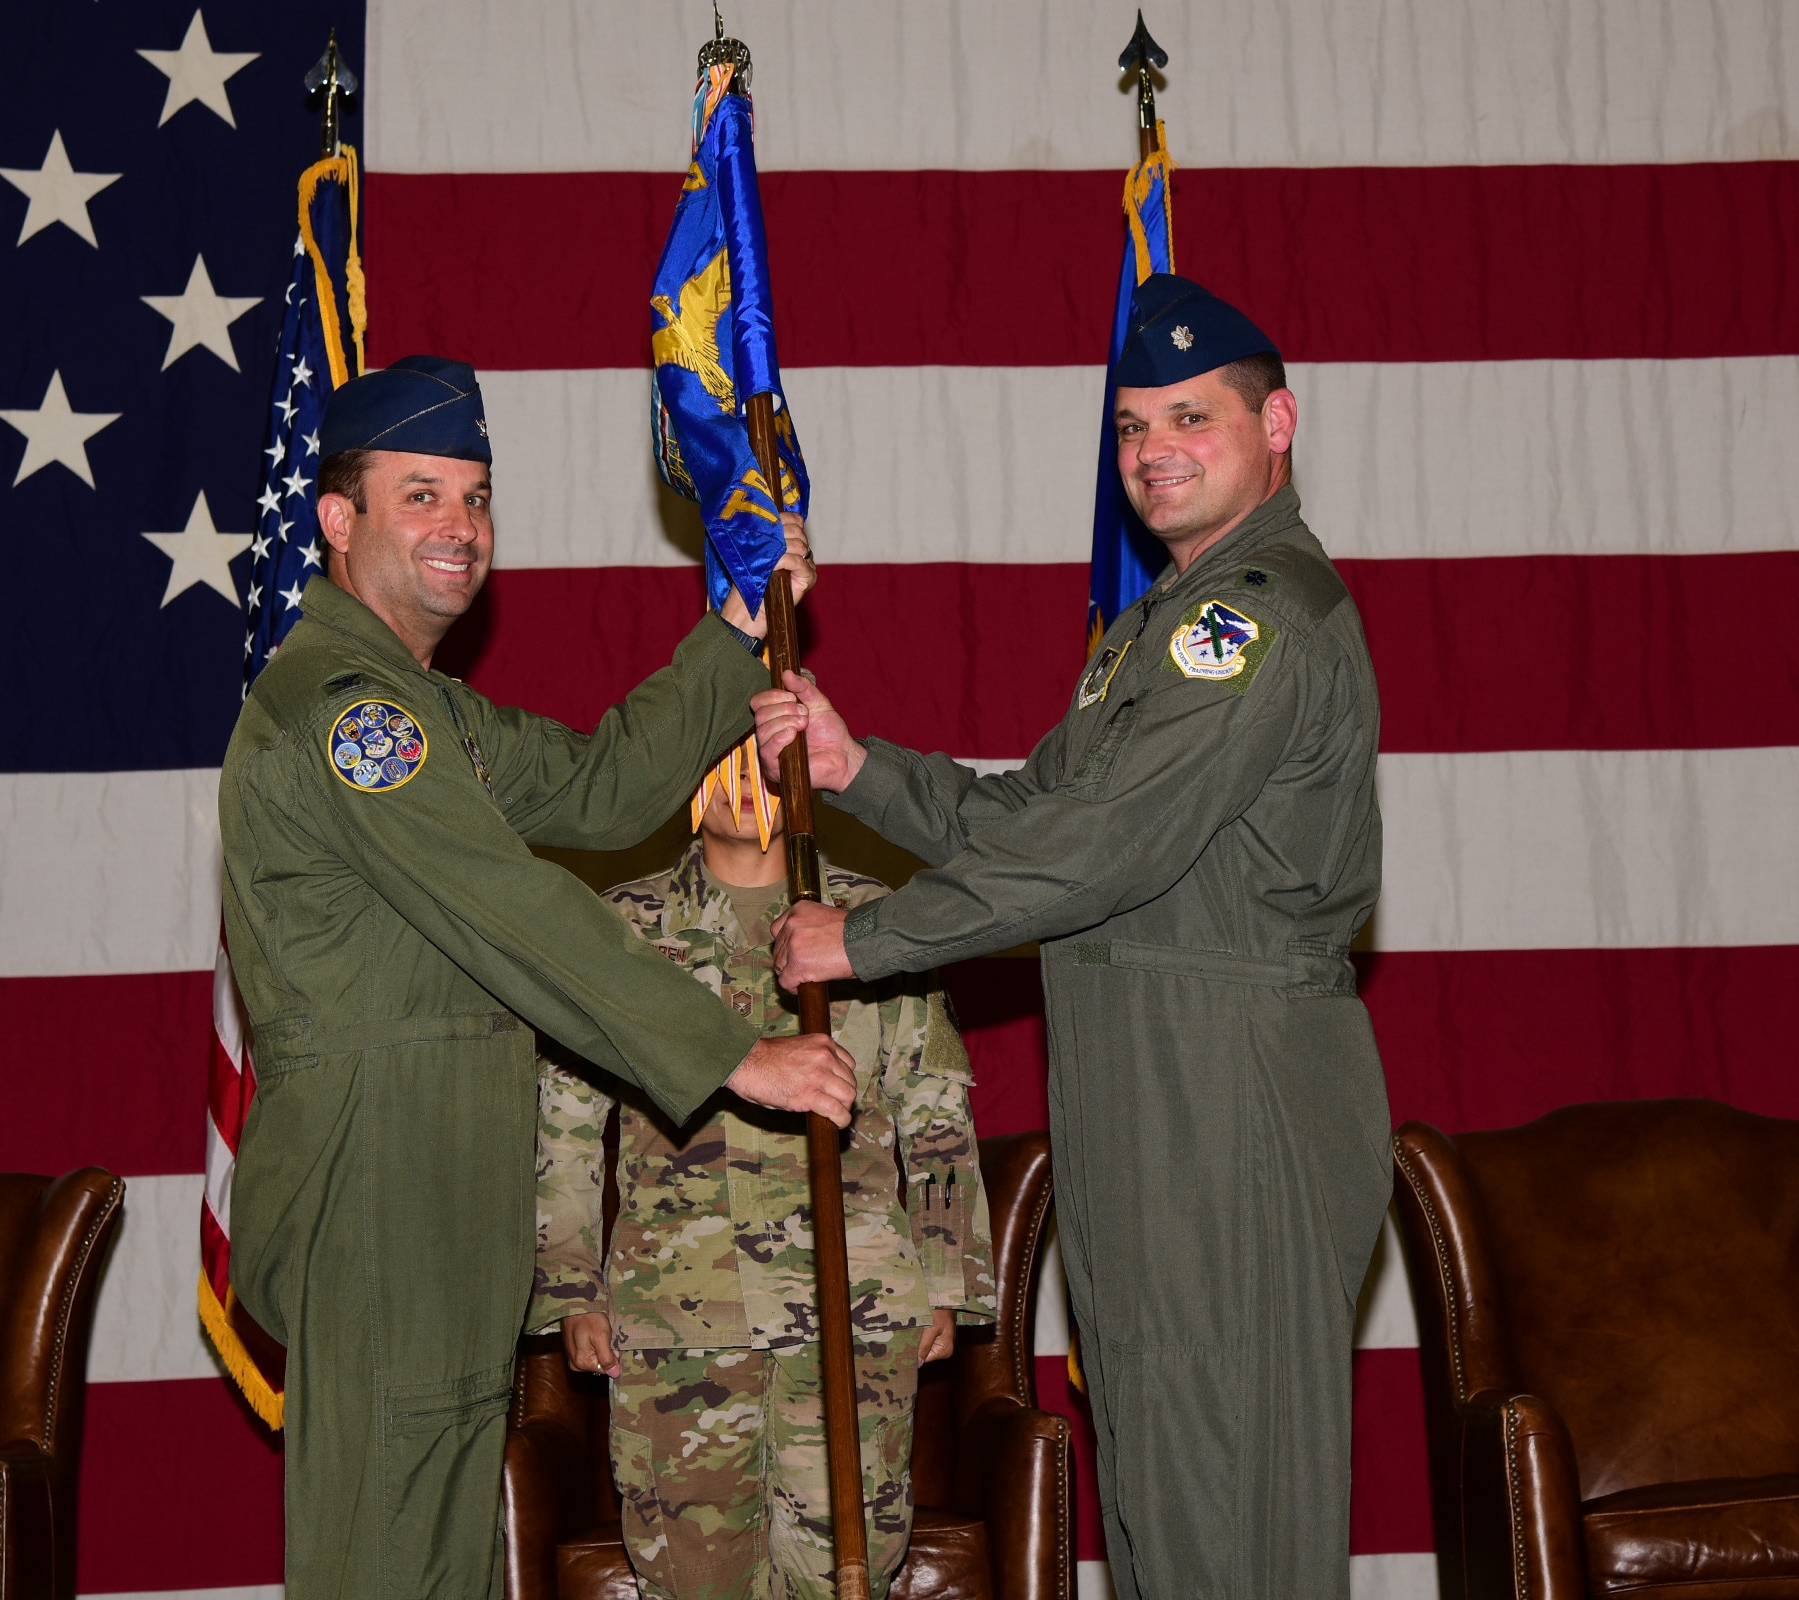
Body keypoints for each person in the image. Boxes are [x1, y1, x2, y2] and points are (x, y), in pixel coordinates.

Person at [755, 277, 1392, 1598]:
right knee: (1165, 1500)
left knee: (1231, 1517)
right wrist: (860, 766)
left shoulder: (1250, 621)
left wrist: (865, 943)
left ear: (1277, 423)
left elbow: (1101, 852)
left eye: (1189, 417)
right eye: (1130, 425)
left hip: (1231, 1095)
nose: (1153, 449)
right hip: (1147, 1098)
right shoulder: (1152, 634)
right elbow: (1034, 814)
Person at [218, 355, 860, 1600]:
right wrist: (733, 1052)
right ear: (337, 520)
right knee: (384, 1562)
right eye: (420, 495)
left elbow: (605, 785)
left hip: (441, 1179)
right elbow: (514, 911)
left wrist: (735, 628)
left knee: (443, 1563)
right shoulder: (353, 711)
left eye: (474, 495)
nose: (459, 526)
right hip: (376, 1181)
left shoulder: (425, 710)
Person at [528, 741, 994, 1600]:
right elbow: (563, 1126)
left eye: (763, 757)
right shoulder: (614, 930)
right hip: (679, 1317)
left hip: (851, 1310)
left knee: (845, 1575)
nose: (745, 782)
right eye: (720, 758)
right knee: (694, 1579)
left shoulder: (874, 920)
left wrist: (942, 1278)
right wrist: (571, 1292)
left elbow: (934, 1111)